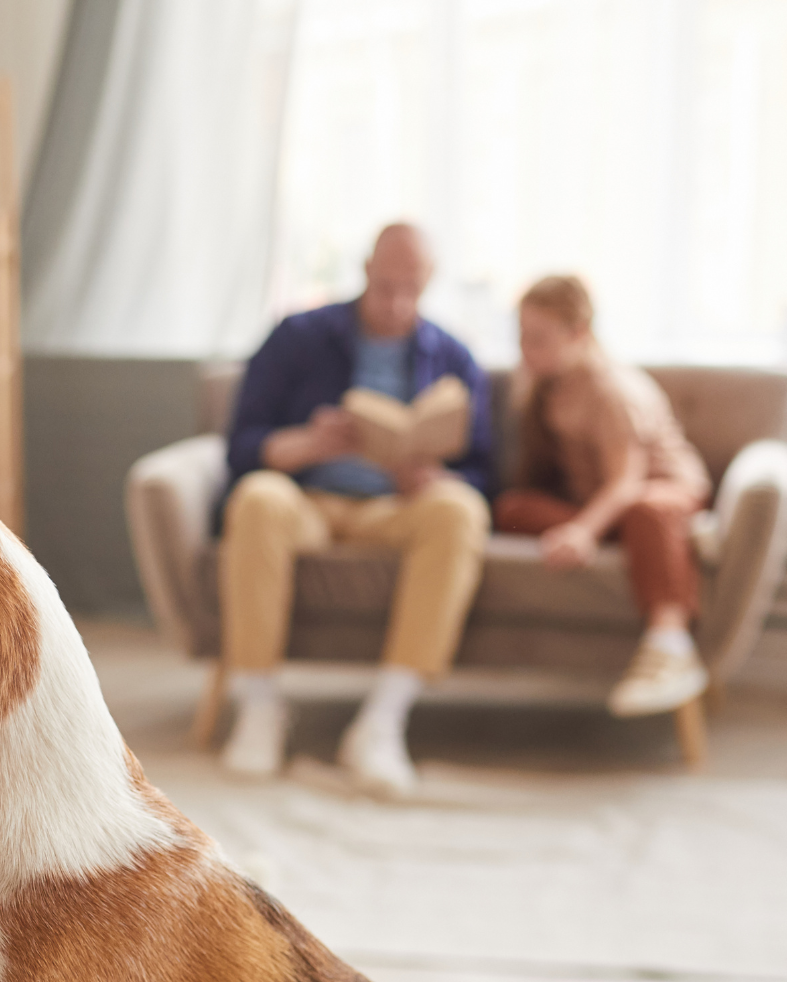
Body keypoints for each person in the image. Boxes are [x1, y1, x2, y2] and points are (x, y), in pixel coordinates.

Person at [216, 224, 494, 796]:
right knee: (258, 499)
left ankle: (383, 720)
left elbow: (489, 474)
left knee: (460, 510)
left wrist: (436, 476)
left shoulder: (453, 357)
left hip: (396, 509)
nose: (395, 303)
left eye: (410, 290)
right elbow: (241, 446)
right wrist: (309, 444)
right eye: (385, 285)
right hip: (309, 500)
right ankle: (261, 705)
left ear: (429, 284)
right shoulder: (298, 335)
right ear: (365, 270)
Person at [495, 275, 713, 717]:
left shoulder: (612, 391)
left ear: (579, 334)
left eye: (538, 339)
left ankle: (669, 643)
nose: (526, 349)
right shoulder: (546, 384)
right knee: (512, 509)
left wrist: (581, 530)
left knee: (644, 510)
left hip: (654, 491)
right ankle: (646, 543)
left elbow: (625, 482)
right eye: (521, 337)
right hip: (600, 502)